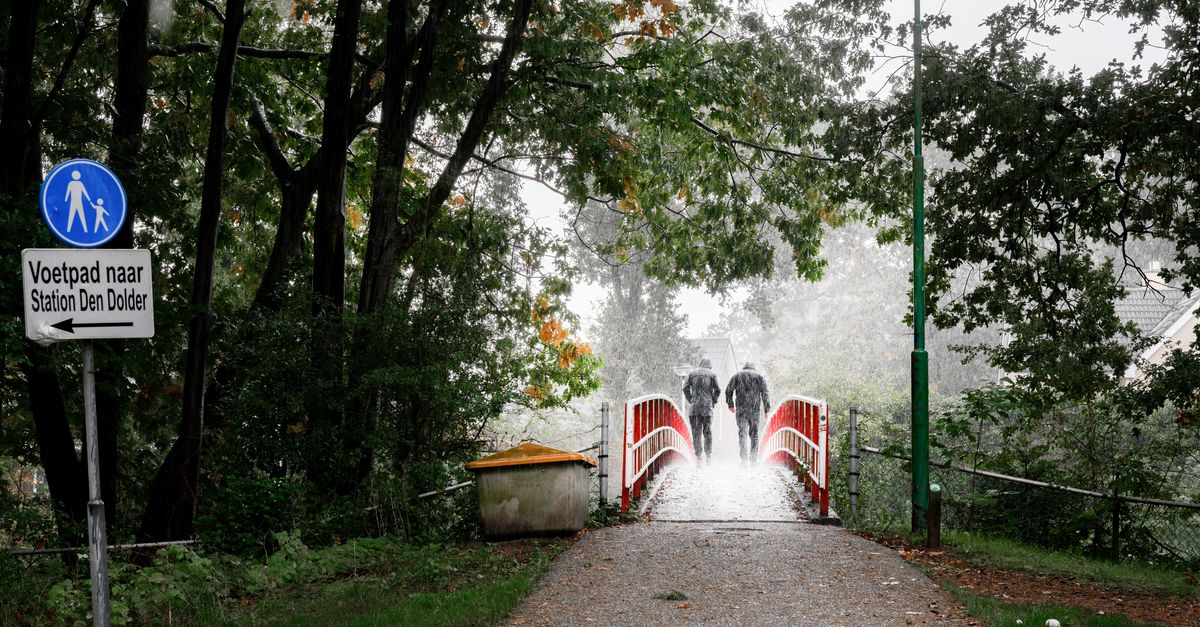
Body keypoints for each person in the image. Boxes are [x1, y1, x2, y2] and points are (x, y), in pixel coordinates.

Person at [725, 363, 770, 468]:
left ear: (744, 367)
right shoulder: (759, 377)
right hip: (754, 411)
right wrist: (766, 409)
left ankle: (744, 460)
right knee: (754, 435)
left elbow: (728, 390)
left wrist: (730, 405)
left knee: (742, 434)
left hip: (741, 410)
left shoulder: (737, 375)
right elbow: (765, 393)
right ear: (753, 367)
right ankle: (753, 461)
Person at [682, 358, 720, 466]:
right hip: (707, 408)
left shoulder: (692, 373)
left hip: (695, 408)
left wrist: (691, 400)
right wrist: (713, 401)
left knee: (696, 432)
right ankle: (708, 457)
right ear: (709, 366)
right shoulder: (712, 374)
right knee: (708, 432)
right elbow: (718, 390)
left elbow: (685, 388)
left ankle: (699, 458)